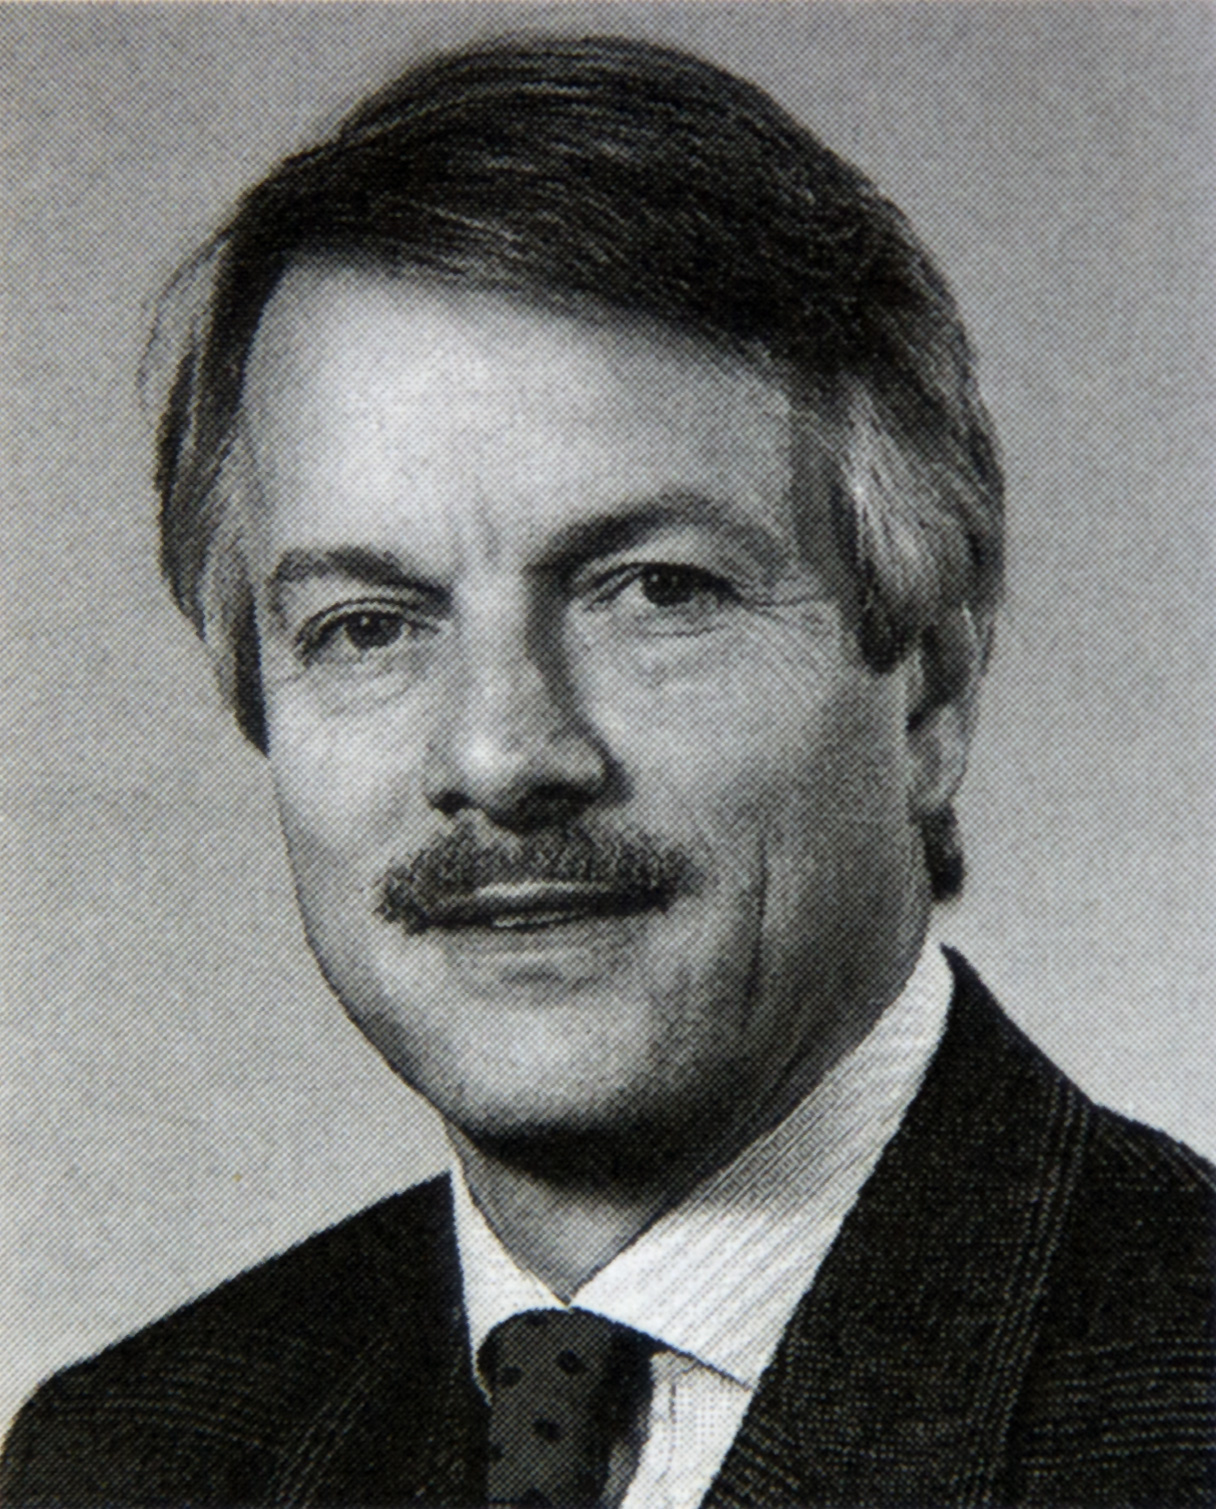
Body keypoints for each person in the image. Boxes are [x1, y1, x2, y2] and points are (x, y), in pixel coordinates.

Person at [2, 34, 1211, 1509]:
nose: (503, 755)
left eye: (655, 591)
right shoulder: (120, 1461)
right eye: (368, 624)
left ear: (929, 692)